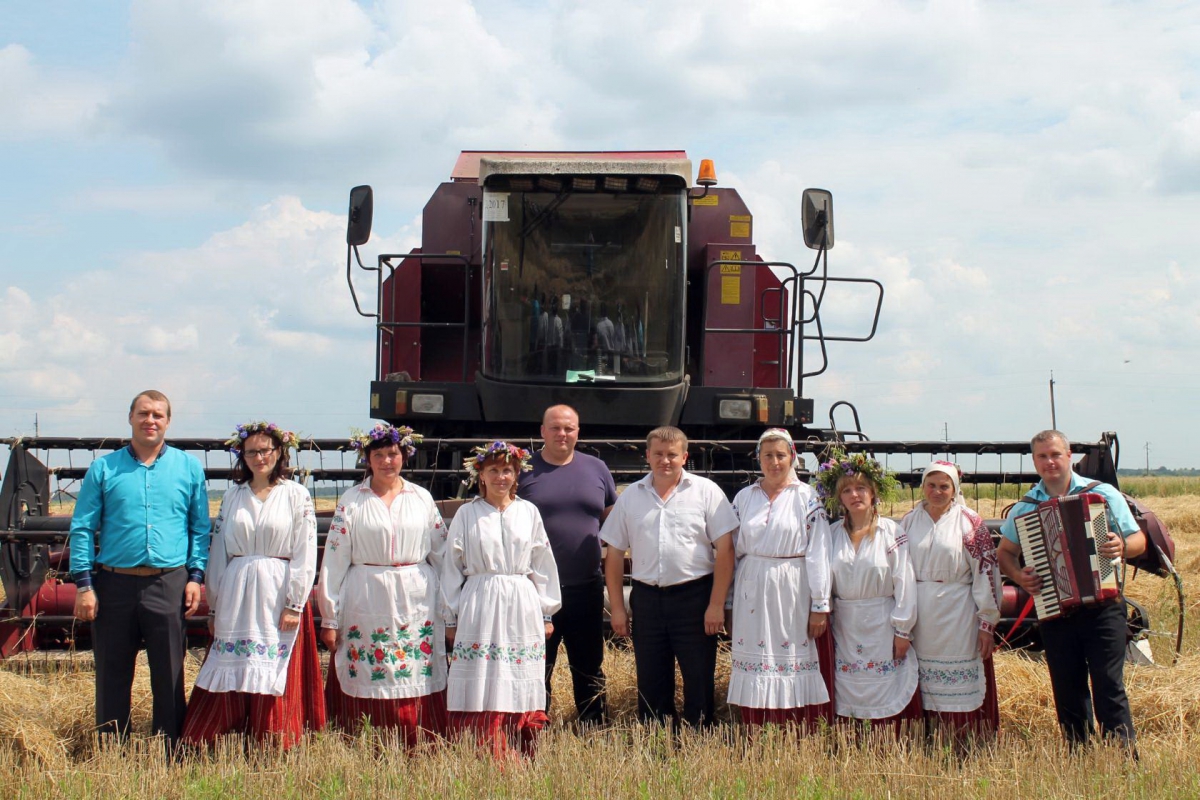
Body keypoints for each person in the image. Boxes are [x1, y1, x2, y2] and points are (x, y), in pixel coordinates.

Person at [69, 390, 210, 745]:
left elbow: (199, 527)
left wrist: (196, 576)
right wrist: (84, 585)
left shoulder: (188, 467)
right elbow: (83, 527)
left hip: (169, 582)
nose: (151, 420)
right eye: (144, 413)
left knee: (169, 674)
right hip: (113, 585)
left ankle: (171, 751)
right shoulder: (104, 468)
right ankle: (112, 751)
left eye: (158, 415)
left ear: (168, 421)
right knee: (112, 675)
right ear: (130, 417)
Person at [997, 429, 1145, 748]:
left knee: (1108, 684)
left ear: (1068, 456)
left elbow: (1138, 540)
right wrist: (1020, 577)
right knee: (1067, 689)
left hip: (1104, 607)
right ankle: (1078, 755)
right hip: (1054, 609)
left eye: (1055, 454)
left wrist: (1122, 546)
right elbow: (1004, 553)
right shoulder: (1026, 507)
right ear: (1035, 461)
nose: (1049, 461)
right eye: (1042, 456)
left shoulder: (1102, 494)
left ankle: (1121, 757)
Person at [183, 421, 325, 748]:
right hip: (237, 590)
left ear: (279, 452)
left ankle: (273, 739)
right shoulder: (233, 496)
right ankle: (209, 738)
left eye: (265, 450)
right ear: (241, 457)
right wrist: (214, 604)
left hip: (278, 591)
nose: (259, 457)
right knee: (229, 662)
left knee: (274, 666)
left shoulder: (295, 494)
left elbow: (304, 551)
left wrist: (295, 602)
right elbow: (219, 553)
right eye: (251, 452)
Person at [316, 423, 448, 745]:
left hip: (416, 596)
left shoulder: (421, 498)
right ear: (368, 460)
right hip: (366, 595)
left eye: (393, 454)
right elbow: (334, 561)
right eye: (379, 455)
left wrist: (451, 607)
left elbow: (442, 554)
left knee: (413, 665)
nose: (388, 461)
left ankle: (418, 736)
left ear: (404, 456)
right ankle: (363, 735)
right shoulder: (352, 501)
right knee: (369, 663)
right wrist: (330, 617)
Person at [601, 426, 738, 728]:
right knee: (650, 678)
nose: (665, 460)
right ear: (647, 456)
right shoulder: (630, 498)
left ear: (684, 457)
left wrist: (716, 604)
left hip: (695, 597)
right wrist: (618, 608)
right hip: (647, 599)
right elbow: (613, 555)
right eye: (658, 454)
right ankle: (657, 744)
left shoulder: (707, 492)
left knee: (699, 676)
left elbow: (726, 551)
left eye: (672, 455)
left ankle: (698, 740)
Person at [442, 441, 562, 757]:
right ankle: (484, 745)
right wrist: (451, 617)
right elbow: (451, 568)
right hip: (480, 599)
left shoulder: (529, 512)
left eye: (507, 470)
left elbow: (542, 563)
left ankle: (523, 746)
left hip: (521, 601)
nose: (500, 477)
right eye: (493, 470)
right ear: (480, 475)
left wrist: (546, 612)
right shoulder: (467, 514)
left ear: (516, 475)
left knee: (520, 674)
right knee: (484, 673)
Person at [517, 405, 617, 726]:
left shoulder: (597, 468)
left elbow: (613, 521)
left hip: (585, 585)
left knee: (588, 666)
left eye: (569, 428)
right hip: (535, 591)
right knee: (537, 666)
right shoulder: (522, 469)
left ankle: (593, 730)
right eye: (556, 428)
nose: (563, 434)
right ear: (542, 431)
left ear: (578, 431)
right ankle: (534, 730)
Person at [727, 429, 834, 729]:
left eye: (780, 455)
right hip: (751, 587)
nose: (774, 462)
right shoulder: (744, 498)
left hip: (792, 588)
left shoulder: (807, 498)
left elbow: (819, 553)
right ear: (759, 458)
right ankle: (756, 729)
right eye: (768, 455)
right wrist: (728, 601)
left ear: (792, 457)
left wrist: (819, 605)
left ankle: (793, 731)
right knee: (755, 660)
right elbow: (732, 553)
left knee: (790, 659)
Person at [813, 449, 920, 731]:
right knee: (848, 687)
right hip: (845, 626)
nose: (854, 495)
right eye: (847, 490)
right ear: (839, 498)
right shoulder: (832, 534)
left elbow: (904, 582)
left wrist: (903, 631)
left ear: (874, 494)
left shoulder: (891, 532)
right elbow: (822, 578)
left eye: (861, 488)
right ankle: (851, 745)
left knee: (886, 685)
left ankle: (889, 743)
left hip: (882, 623)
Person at [899, 461, 1001, 743]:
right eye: (931, 485)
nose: (937, 491)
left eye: (944, 486)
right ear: (923, 487)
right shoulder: (909, 521)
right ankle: (925, 740)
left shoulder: (970, 522)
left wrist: (986, 622)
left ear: (954, 489)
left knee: (958, 682)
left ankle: (962, 740)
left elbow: (986, 572)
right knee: (921, 679)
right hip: (919, 613)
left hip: (958, 613)